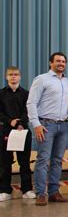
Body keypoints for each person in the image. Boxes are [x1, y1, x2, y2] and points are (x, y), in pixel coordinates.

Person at [26, 52, 68, 206]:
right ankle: (40, 193)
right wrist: (36, 124)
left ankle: (53, 192)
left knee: (57, 160)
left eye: (63, 61)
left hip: (63, 125)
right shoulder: (41, 79)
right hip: (46, 125)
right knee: (43, 160)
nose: (61, 63)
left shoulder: (67, 81)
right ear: (51, 63)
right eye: (58, 61)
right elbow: (31, 103)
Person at [0, 66, 35, 202]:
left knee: (24, 161)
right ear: (6, 77)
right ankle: (4, 190)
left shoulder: (26, 94)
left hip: (23, 130)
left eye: (16, 74)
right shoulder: (1, 94)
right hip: (6, 131)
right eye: (11, 75)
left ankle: (26, 189)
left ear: (20, 77)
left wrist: (21, 122)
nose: (13, 77)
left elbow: (29, 110)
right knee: (5, 162)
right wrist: (10, 121)